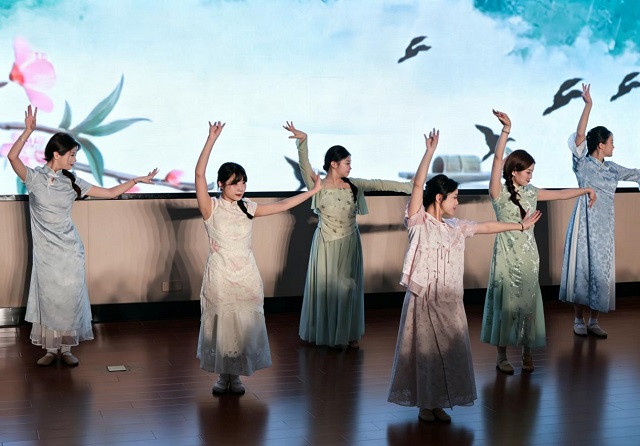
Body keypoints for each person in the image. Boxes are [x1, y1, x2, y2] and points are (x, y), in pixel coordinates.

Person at [387, 128, 541, 423]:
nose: (457, 203)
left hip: (450, 301)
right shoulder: (418, 221)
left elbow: (486, 227)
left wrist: (520, 226)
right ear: (439, 198)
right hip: (424, 299)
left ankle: (439, 402)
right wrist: (429, 152)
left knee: (448, 353)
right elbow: (418, 184)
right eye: (454, 197)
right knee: (425, 352)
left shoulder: (455, 226)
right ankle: (425, 404)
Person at [6, 105, 158, 367]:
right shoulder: (34, 178)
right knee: (49, 300)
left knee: (68, 299)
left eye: (76, 155)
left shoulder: (72, 181)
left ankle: (65, 348)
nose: (74, 159)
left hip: (70, 251)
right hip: (46, 255)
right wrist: (28, 131)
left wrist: (135, 180)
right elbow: (12, 157)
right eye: (72, 154)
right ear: (57, 154)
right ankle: (50, 349)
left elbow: (109, 193)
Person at [195, 120, 321, 395]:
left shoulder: (248, 207)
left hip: (246, 274)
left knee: (244, 326)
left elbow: (282, 205)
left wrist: (311, 192)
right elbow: (199, 175)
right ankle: (223, 375)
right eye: (234, 183)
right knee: (224, 325)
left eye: (243, 182)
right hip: (220, 273)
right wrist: (211, 139)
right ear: (221, 184)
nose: (240, 187)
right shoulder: (211, 208)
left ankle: (237, 375)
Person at [481, 110, 596, 374]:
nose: (531, 176)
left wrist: (586, 189)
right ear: (514, 171)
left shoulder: (532, 193)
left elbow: (561, 194)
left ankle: (527, 352)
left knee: (527, 304)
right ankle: (501, 356)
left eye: (533, 172)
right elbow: (498, 158)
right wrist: (506, 130)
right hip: (505, 256)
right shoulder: (498, 192)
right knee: (504, 304)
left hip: (529, 257)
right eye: (528, 172)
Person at [283, 122, 412, 349]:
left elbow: (379, 184)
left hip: (350, 241)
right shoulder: (318, 184)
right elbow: (304, 165)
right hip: (326, 243)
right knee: (328, 288)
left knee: (348, 288)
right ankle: (329, 335)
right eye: (347, 163)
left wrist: (413, 187)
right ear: (334, 164)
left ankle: (348, 334)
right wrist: (303, 141)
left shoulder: (353, 184)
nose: (350, 167)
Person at [559, 84, 640, 338]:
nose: (614, 146)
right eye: (611, 142)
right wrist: (588, 106)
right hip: (584, 223)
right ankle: (578, 319)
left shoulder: (612, 168)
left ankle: (594, 320)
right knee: (582, 269)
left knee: (600, 272)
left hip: (604, 226)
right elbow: (580, 136)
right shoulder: (583, 165)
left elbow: (636, 174)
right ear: (601, 144)